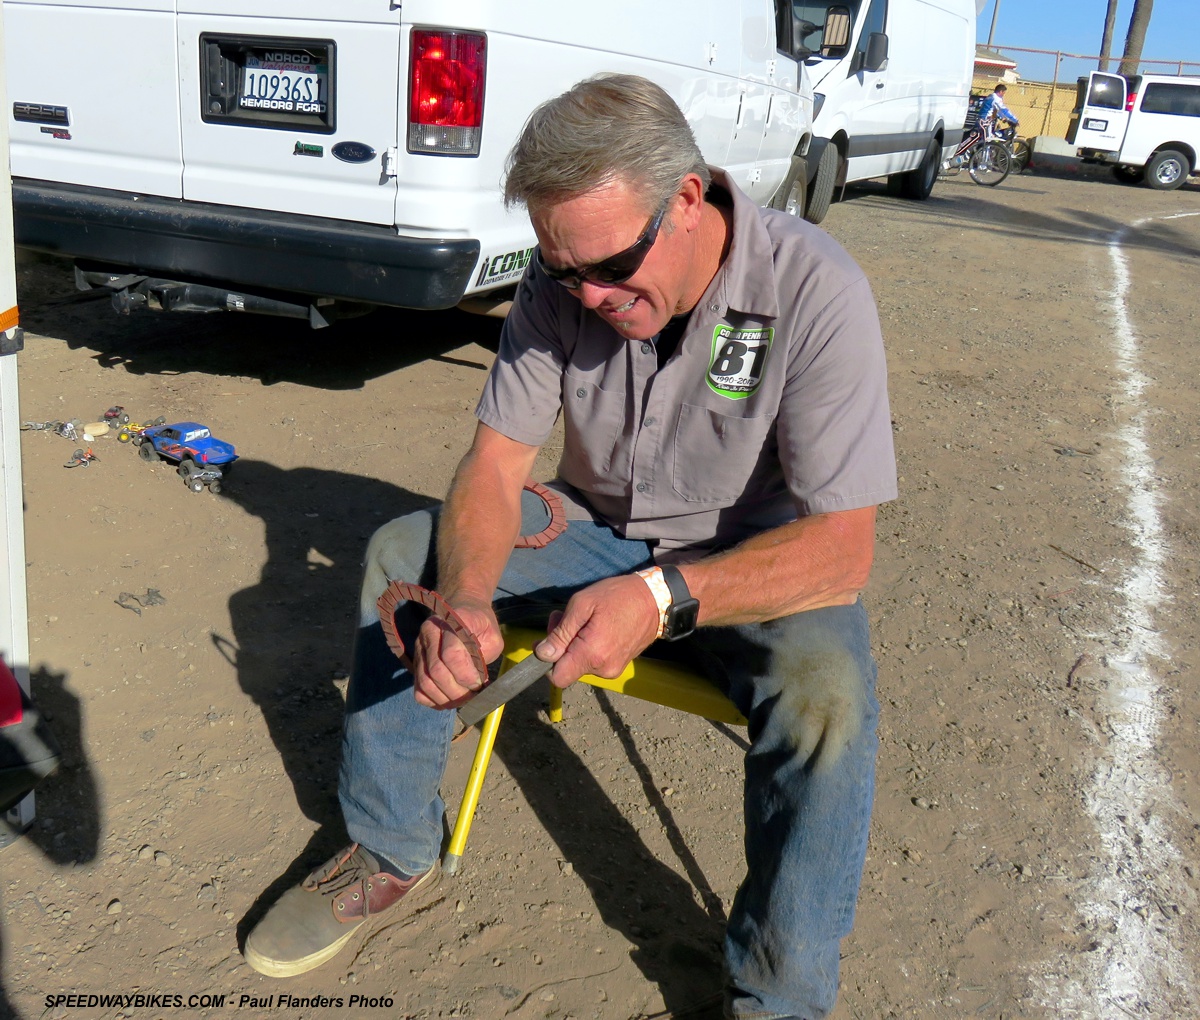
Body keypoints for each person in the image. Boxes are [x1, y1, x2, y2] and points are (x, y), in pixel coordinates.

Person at [244, 73, 897, 1020]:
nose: (586, 295)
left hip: (751, 564)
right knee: (405, 556)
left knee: (827, 700)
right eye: (563, 271)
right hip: (596, 532)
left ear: (686, 199)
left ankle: (780, 994)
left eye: (608, 267)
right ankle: (390, 848)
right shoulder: (564, 279)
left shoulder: (815, 287)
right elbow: (496, 463)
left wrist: (664, 597)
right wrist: (466, 594)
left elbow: (842, 552)